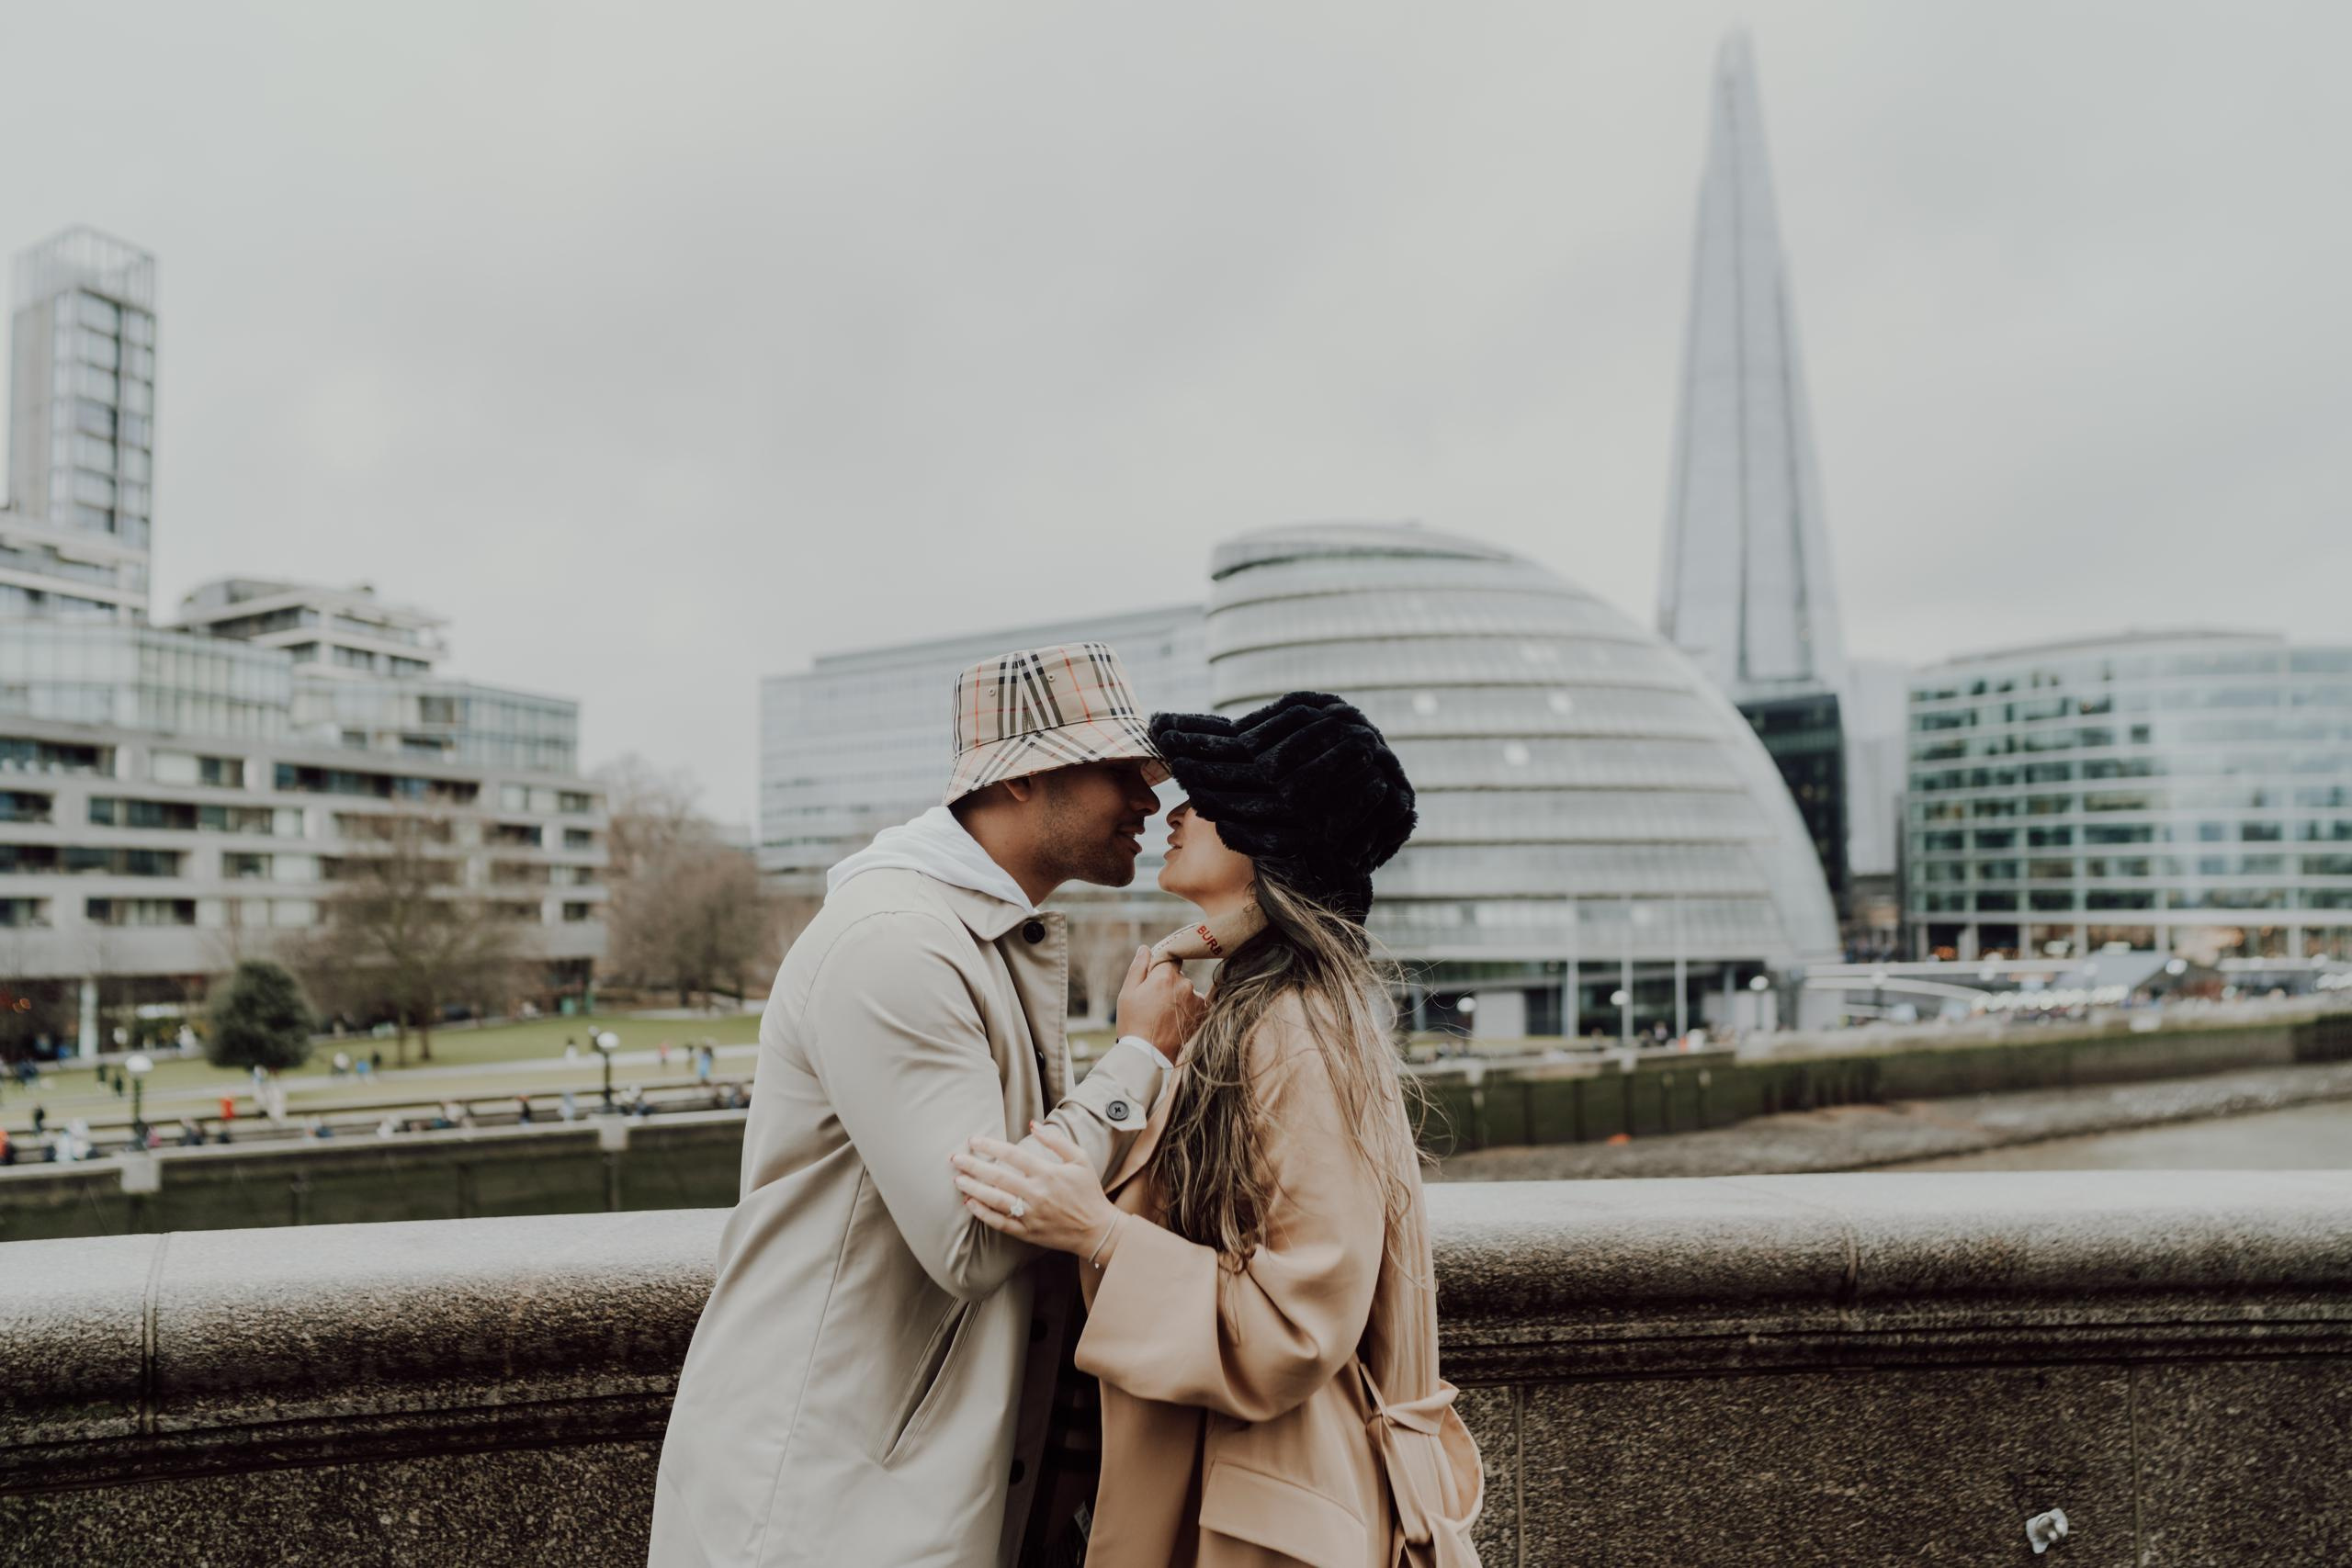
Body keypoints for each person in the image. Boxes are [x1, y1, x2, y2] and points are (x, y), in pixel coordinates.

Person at [650, 642, 1205, 1568]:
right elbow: (973, 1239)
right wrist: (1140, 1057)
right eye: (1120, 770)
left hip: (882, 1484)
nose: (1150, 798)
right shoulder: (897, 943)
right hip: (819, 1502)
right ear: (1020, 778)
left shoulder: (971, 935)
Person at [951, 692, 1483, 1565]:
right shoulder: (1260, 1006)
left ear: (1265, 837)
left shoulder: (1293, 1027)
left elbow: (1298, 1322)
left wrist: (1098, 1232)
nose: (1175, 810)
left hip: (1264, 1522)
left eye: (1207, 797)